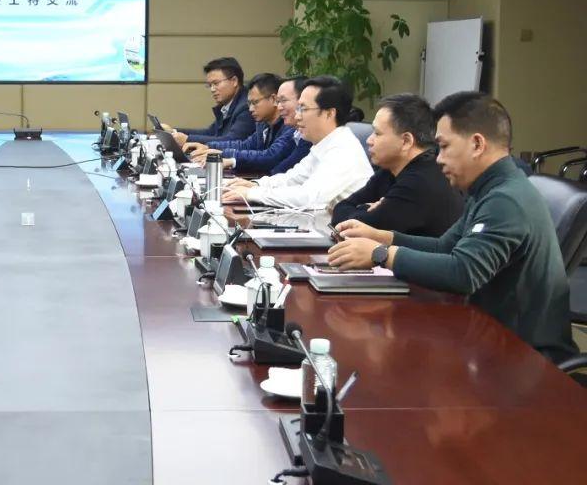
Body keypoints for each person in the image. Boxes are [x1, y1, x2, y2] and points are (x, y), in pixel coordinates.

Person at [330, 91, 576, 363]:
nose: (438, 158)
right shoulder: (488, 188)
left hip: (525, 357)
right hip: (489, 337)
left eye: (445, 146)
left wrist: (381, 254)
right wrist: (382, 237)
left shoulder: (505, 200)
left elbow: (463, 272)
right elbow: (445, 246)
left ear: (477, 144)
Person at [222, 76, 371, 210]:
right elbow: (293, 178)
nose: (297, 116)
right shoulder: (324, 144)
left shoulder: (343, 151)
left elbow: (308, 198)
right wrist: (257, 184)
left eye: (303, 109)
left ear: (329, 113)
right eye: (298, 108)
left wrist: (252, 193)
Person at [331, 94, 463, 236]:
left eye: (377, 133)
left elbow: (353, 229)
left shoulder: (419, 183)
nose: (369, 140)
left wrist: (369, 210)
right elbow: (340, 209)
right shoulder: (390, 170)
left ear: (406, 141)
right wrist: (368, 208)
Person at [183, 73, 297, 173]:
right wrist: (209, 147)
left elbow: (270, 156)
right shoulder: (263, 124)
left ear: (273, 99)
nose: (251, 109)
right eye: (249, 103)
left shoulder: (290, 125)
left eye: (255, 102)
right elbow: (245, 145)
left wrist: (223, 155)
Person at [161, 57, 255, 145]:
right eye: (210, 85)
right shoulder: (228, 105)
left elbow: (232, 141)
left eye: (216, 83)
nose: (212, 89)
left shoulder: (247, 107)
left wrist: (187, 139)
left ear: (234, 81)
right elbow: (210, 132)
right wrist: (173, 131)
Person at [268, 76, 311, 175]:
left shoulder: (312, 138)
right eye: (278, 101)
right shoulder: (295, 132)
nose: (279, 107)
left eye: (283, 100)